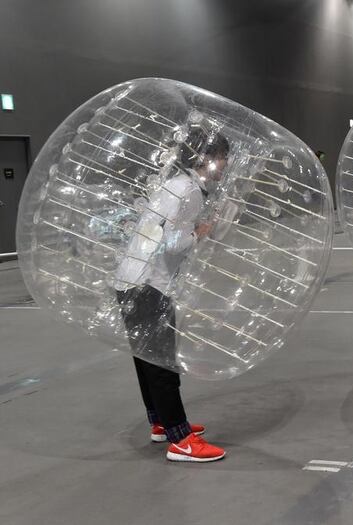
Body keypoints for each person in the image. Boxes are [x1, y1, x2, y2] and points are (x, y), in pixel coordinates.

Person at [113, 126, 230, 463]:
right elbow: (174, 243)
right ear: (205, 158)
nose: (223, 166)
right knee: (162, 361)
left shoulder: (171, 184)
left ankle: (161, 423)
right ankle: (180, 439)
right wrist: (202, 231)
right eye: (222, 159)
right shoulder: (190, 191)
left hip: (131, 278)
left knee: (147, 358)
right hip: (150, 283)